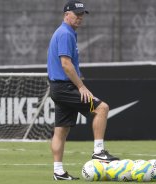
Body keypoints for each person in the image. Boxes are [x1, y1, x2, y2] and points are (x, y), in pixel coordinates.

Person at [47, 0, 119, 181]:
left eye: (81, 15)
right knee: (102, 108)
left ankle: (58, 172)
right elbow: (65, 64)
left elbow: (69, 65)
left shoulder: (68, 32)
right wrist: (81, 86)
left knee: (61, 130)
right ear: (66, 15)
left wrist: (78, 78)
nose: (79, 18)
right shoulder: (65, 33)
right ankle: (98, 152)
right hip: (64, 87)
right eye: (76, 14)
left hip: (59, 87)